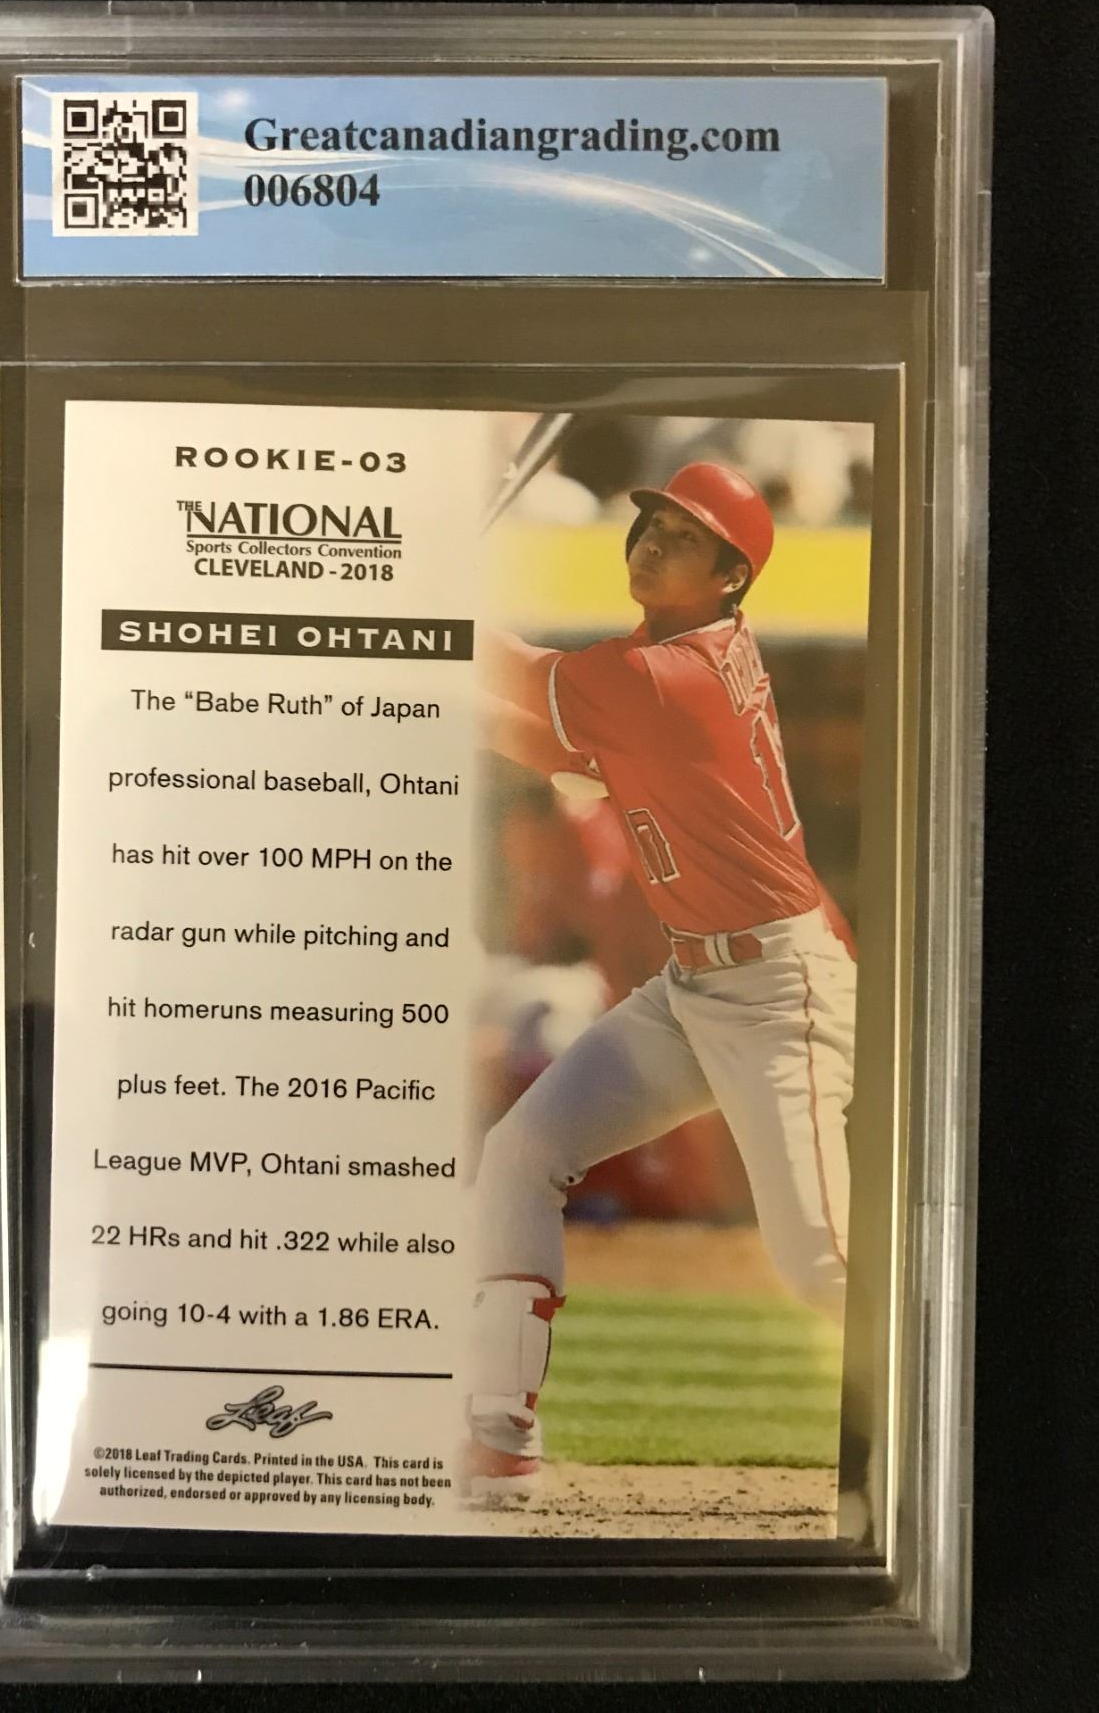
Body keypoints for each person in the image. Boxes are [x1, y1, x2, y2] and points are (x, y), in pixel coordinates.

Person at [467, 461, 856, 1499]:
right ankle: (500, 1431)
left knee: (822, 1265)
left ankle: (981, 1429)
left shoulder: (671, 678)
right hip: (693, 986)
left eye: (685, 535)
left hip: (781, 992)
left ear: (732, 577)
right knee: (520, 1154)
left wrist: (421, 594)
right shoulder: (656, 667)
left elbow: (516, 672)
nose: (651, 540)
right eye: (650, 522)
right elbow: (553, 746)